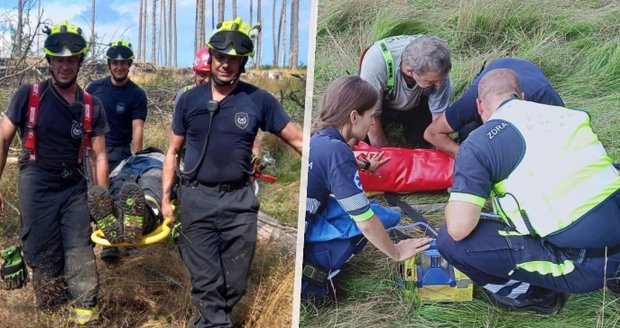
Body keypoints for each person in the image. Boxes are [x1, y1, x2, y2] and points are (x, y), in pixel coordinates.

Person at [436, 69, 620, 314]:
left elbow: (459, 229)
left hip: (585, 264)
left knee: (450, 243)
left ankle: (535, 296)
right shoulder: (568, 114)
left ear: (480, 106)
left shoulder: (477, 145)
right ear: (521, 97)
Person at [161, 17, 303, 327]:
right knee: (208, 284)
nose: (226, 65)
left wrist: (332, 160)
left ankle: (206, 322)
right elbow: (172, 151)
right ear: (210, 57)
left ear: (242, 62)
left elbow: (298, 139)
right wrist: (165, 200)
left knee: (233, 284)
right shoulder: (189, 101)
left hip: (239, 203)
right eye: (221, 57)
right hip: (197, 200)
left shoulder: (258, 100)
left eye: (234, 59)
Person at [0, 20, 108, 325]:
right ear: (49, 61)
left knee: (78, 249)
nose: (64, 66)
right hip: (37, 180)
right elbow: (3, 137)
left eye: (71, 60)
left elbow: (99, 156)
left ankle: (86, 315)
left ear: (80, 62)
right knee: (42, 251)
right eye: (58, 59)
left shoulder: (91, 105)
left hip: (73, 184)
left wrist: (102, 199)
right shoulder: (28, 95)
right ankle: (51, 313)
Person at [303, 75, 432, 298]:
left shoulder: (318, 137)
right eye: (371, 116)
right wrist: (396, 252)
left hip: (311, 215)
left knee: (385, 216)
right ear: (354, 116)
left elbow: (330, 160)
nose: (373, 123)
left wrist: (364, 165)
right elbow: (365, 222)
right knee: (377, 219)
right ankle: (315, 277)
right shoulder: (337, 151)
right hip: (301, 242)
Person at [424, 57, 565, 157]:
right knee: (468, 137)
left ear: (521, 99)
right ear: (480, 107)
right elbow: (432, 133)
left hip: (527, 75)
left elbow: (563, 138)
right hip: (496, 70)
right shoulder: (470, 102)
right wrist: (464, 156)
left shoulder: (543, 98)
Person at [359, 35, 452, 148]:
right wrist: (383, 152)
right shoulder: (376, 63)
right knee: (363, 136)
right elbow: (370, 114)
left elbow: (438, 117)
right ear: (410, 71)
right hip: (380, 104)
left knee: (420, 143)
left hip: (416, 105)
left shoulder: (438, 68)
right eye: (431, 82)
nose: (439, 85)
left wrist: (440, 148)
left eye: (440, 80)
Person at [86, 40, 148, 171]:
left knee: (120, 188)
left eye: (123, 63)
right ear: (109, 64)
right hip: (92, 149)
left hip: (120, 152)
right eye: (115, 63)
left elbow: (138, 129)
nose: (119, 67)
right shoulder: (94, 88)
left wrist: (137, 161)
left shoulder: (137, 94)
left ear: (129, 64)